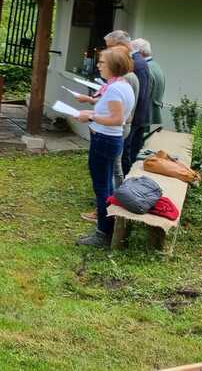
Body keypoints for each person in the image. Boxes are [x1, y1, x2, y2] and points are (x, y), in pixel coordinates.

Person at [75, 49, 135, 247]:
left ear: (114, 66)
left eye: (102, 62)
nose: (98, 66)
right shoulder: (121, 85)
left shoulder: (115, 89)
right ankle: (108, 227)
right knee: (107, 186)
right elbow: (112, 114)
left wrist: (91, 116)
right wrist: (91, 112)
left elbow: (117, 119)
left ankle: (102, 233)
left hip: (104, 140)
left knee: (102, 187)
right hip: (109, 139)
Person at [105, 30, 150, 173]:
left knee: (123, 156)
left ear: (121, 45)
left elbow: (137, 95)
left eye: (110, 47)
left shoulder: (136, 64)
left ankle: (124, 184)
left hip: (129, 119)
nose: (108, 51)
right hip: (127, 118)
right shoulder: (132, 61)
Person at [132, 38, 165, 128]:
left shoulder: (145, 68)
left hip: (142, 116)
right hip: (149, 113)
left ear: (140, 52)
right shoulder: (155, 65)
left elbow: (142, 95)